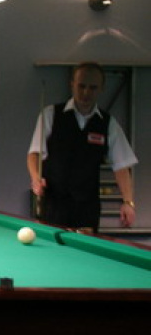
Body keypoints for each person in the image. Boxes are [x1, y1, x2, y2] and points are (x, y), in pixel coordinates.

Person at [27, 62, 138, 231]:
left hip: (87, 208)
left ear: (101, 88)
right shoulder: (51, 114)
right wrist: (36, 178)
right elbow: (34, 154)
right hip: (53, 205)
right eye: (81, 86)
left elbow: (122, 166)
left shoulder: (108, 123)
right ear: (72, 84)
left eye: (93, 88)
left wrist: (128, 202)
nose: (86, 92)